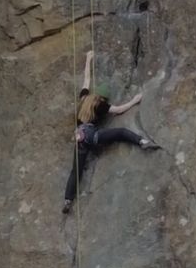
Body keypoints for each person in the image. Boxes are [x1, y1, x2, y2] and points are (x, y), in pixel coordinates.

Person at [63, 51, 160, 214]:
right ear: (104, 98)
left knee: (76, 171)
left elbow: (86, 79)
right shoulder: (101, 105)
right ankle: (142, 142)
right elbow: (119, 109)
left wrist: (88, 59)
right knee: (121, 132)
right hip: (93, 137)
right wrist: (135, 100)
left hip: (80, 139)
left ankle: (67, 200)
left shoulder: (84, 97)